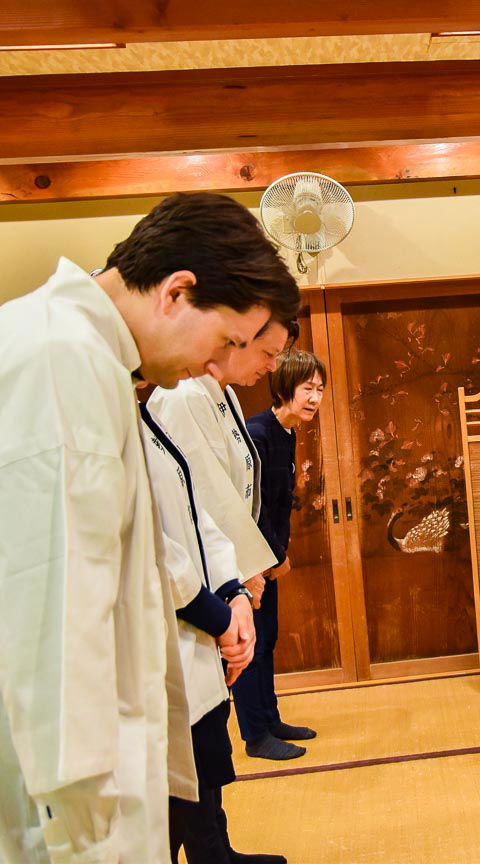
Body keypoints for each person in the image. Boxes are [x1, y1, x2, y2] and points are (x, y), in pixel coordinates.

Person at [0, 192, 299, 863]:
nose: (218, 365)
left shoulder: (89, 357)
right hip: (68, 793)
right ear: (176, 292)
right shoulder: (59, 357)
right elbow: (49, 595)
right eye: (227, 340)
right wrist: (80, 814)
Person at [148, 316, 298, 850]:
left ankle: (220, 849)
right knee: (191, 742)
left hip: (217, 578)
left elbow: (214, 499)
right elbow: (202, 498)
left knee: (207, 736)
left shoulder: (219, 396)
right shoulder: (179, 396)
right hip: (193, 595)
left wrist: (238, 580)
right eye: (267, 350)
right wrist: (237, 581)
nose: (270, 366)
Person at [233, 350, 326, 761]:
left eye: (320, 390)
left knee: (267, 640)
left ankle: (270, 719)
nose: (315, 398)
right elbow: (247, 505)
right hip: (251, 561)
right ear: (285, 387)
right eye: (308, 389)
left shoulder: (287, 433)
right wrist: (272, 555)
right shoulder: (258, 433)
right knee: (251, 645)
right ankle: (255, 735)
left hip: (270, 557)